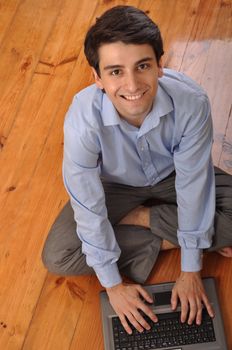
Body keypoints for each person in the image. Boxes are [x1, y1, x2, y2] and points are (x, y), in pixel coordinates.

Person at [42, 5, 232, 335]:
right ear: (97, 78)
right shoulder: (81, 122)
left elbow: (193, 183)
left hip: (175, 174)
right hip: (115, 186)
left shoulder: (192, 103)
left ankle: (145, 221)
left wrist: (190, 268)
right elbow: (88, 205)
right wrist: (113, 286)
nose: (132, 85)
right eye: (115, 71)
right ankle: (185, 236)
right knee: (58, 255)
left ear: (160, 65)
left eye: (142, 66)